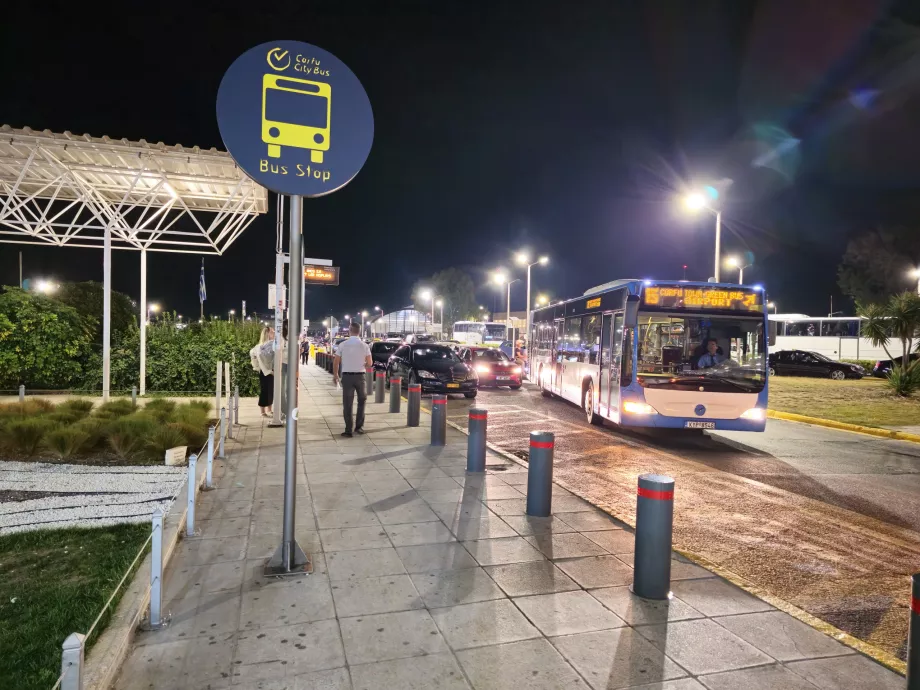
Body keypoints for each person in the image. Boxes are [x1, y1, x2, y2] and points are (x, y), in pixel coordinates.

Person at [332, 322, 373, 437]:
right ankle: (359, 427)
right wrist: (362, 365)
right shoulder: (364, 345)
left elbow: (336, 362)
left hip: (347, 377)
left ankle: (348, 430)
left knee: (348, 404)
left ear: (349, 331)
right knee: (362, 401)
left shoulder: (343, 345)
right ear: (359, 331)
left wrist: (336, 375)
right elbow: (370, 363)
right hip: (360, 376)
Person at [249, 326, 275, 417]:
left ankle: (269, 409)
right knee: (264, 390)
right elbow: (258, 357)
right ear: (267, 334)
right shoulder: (260, 347)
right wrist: (266, 370)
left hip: (270, 371)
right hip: (265, 372)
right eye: (272, 332)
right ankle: (262, 411)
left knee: (271, 390)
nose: (274, 333)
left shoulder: (270, 344)